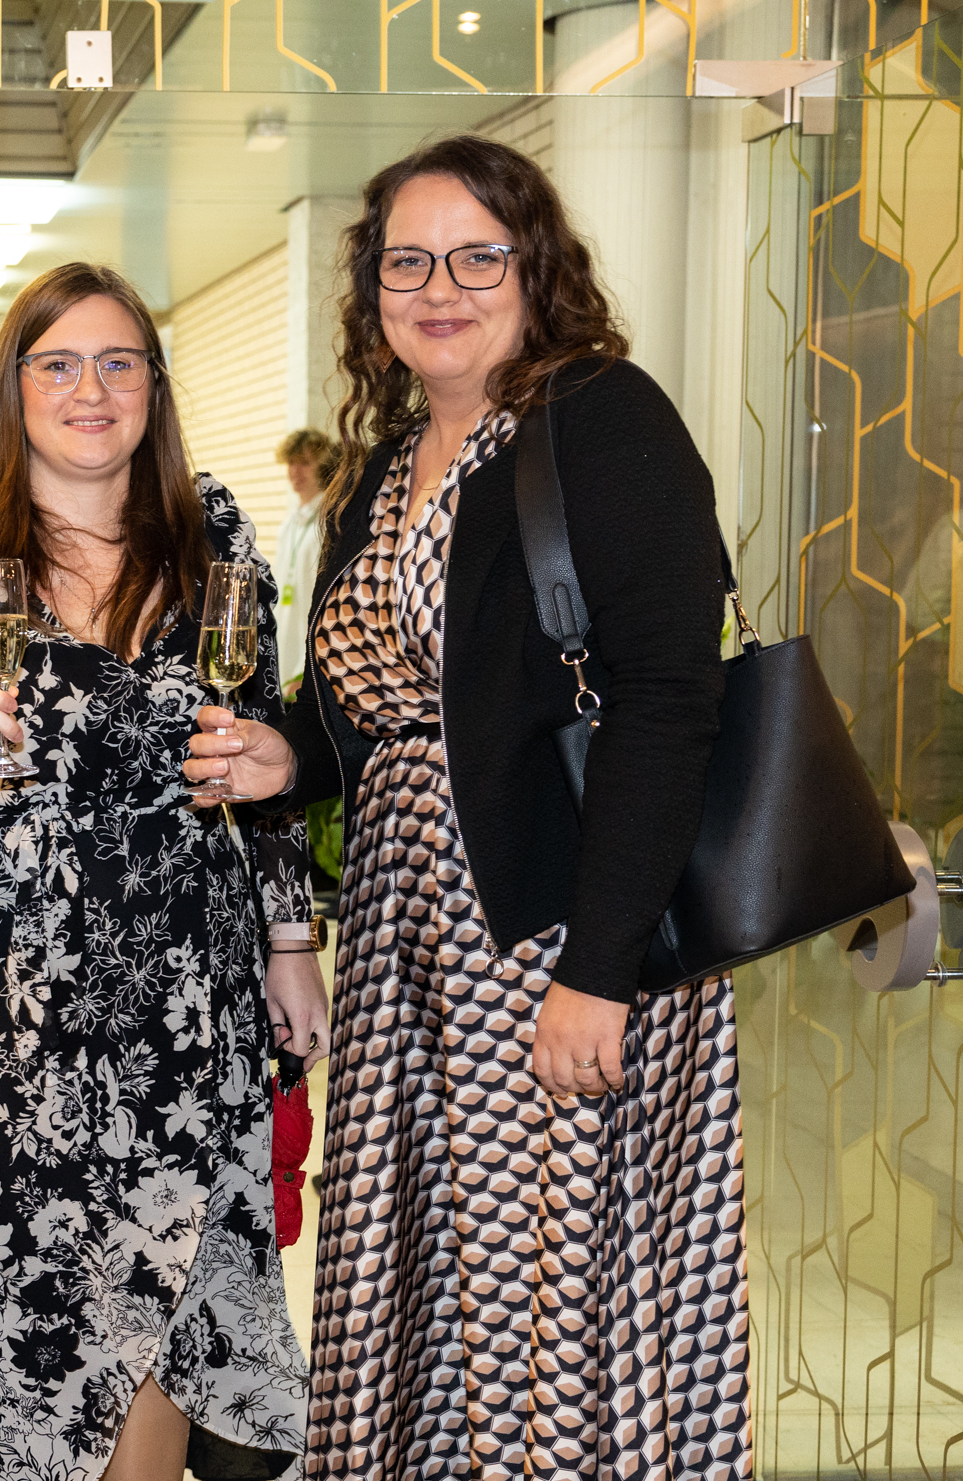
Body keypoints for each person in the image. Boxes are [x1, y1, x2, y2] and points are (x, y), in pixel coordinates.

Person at [185, 134, 751, 1478]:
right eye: (407, 262)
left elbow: (666, 698)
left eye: (475, 257)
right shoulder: (389, 465)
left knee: (545, 1301)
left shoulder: (600, 420)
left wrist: (600, 970)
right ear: (371, 287)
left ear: (534, 268)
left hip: (556, 933)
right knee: (426, 1293)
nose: (438, 289)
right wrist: (284, 757)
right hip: (408, 949)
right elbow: (376, 703)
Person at [0, 261, 326, 1481]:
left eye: (119, 363)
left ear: (152, 387)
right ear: (13, 389)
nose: (90, 389)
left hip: (184, 995)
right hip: (6, 1008)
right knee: (21, 1327)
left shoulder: (210, 536)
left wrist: (289, 941)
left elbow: (258, 744)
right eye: (57, 363)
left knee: (159, 1305)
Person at [270, 428, 337, 700]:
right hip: (282, 656)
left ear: (324, 466)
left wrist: (304, 673)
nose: (295, 471)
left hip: (309, 665)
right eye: (291, 462)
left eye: (305, 463)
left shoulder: (329, 522)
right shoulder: (290, 525)